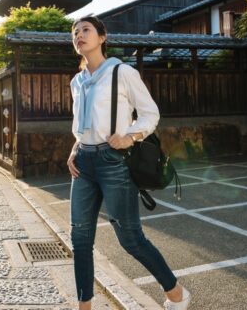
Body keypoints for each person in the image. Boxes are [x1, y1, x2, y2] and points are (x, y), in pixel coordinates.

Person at [66, 16, 191, 310]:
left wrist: (131, 137)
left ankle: (176, 293)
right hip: (83, 162)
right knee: (80, 238)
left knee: (130, 239)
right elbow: (81, 126)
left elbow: (150, 114)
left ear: (102, 37)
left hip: (113, 162)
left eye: (85, 30)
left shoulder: (122, 72)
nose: (79, 35)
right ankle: (84, 306)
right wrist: (74, 149)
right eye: (74, 32)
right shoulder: (77, 81)